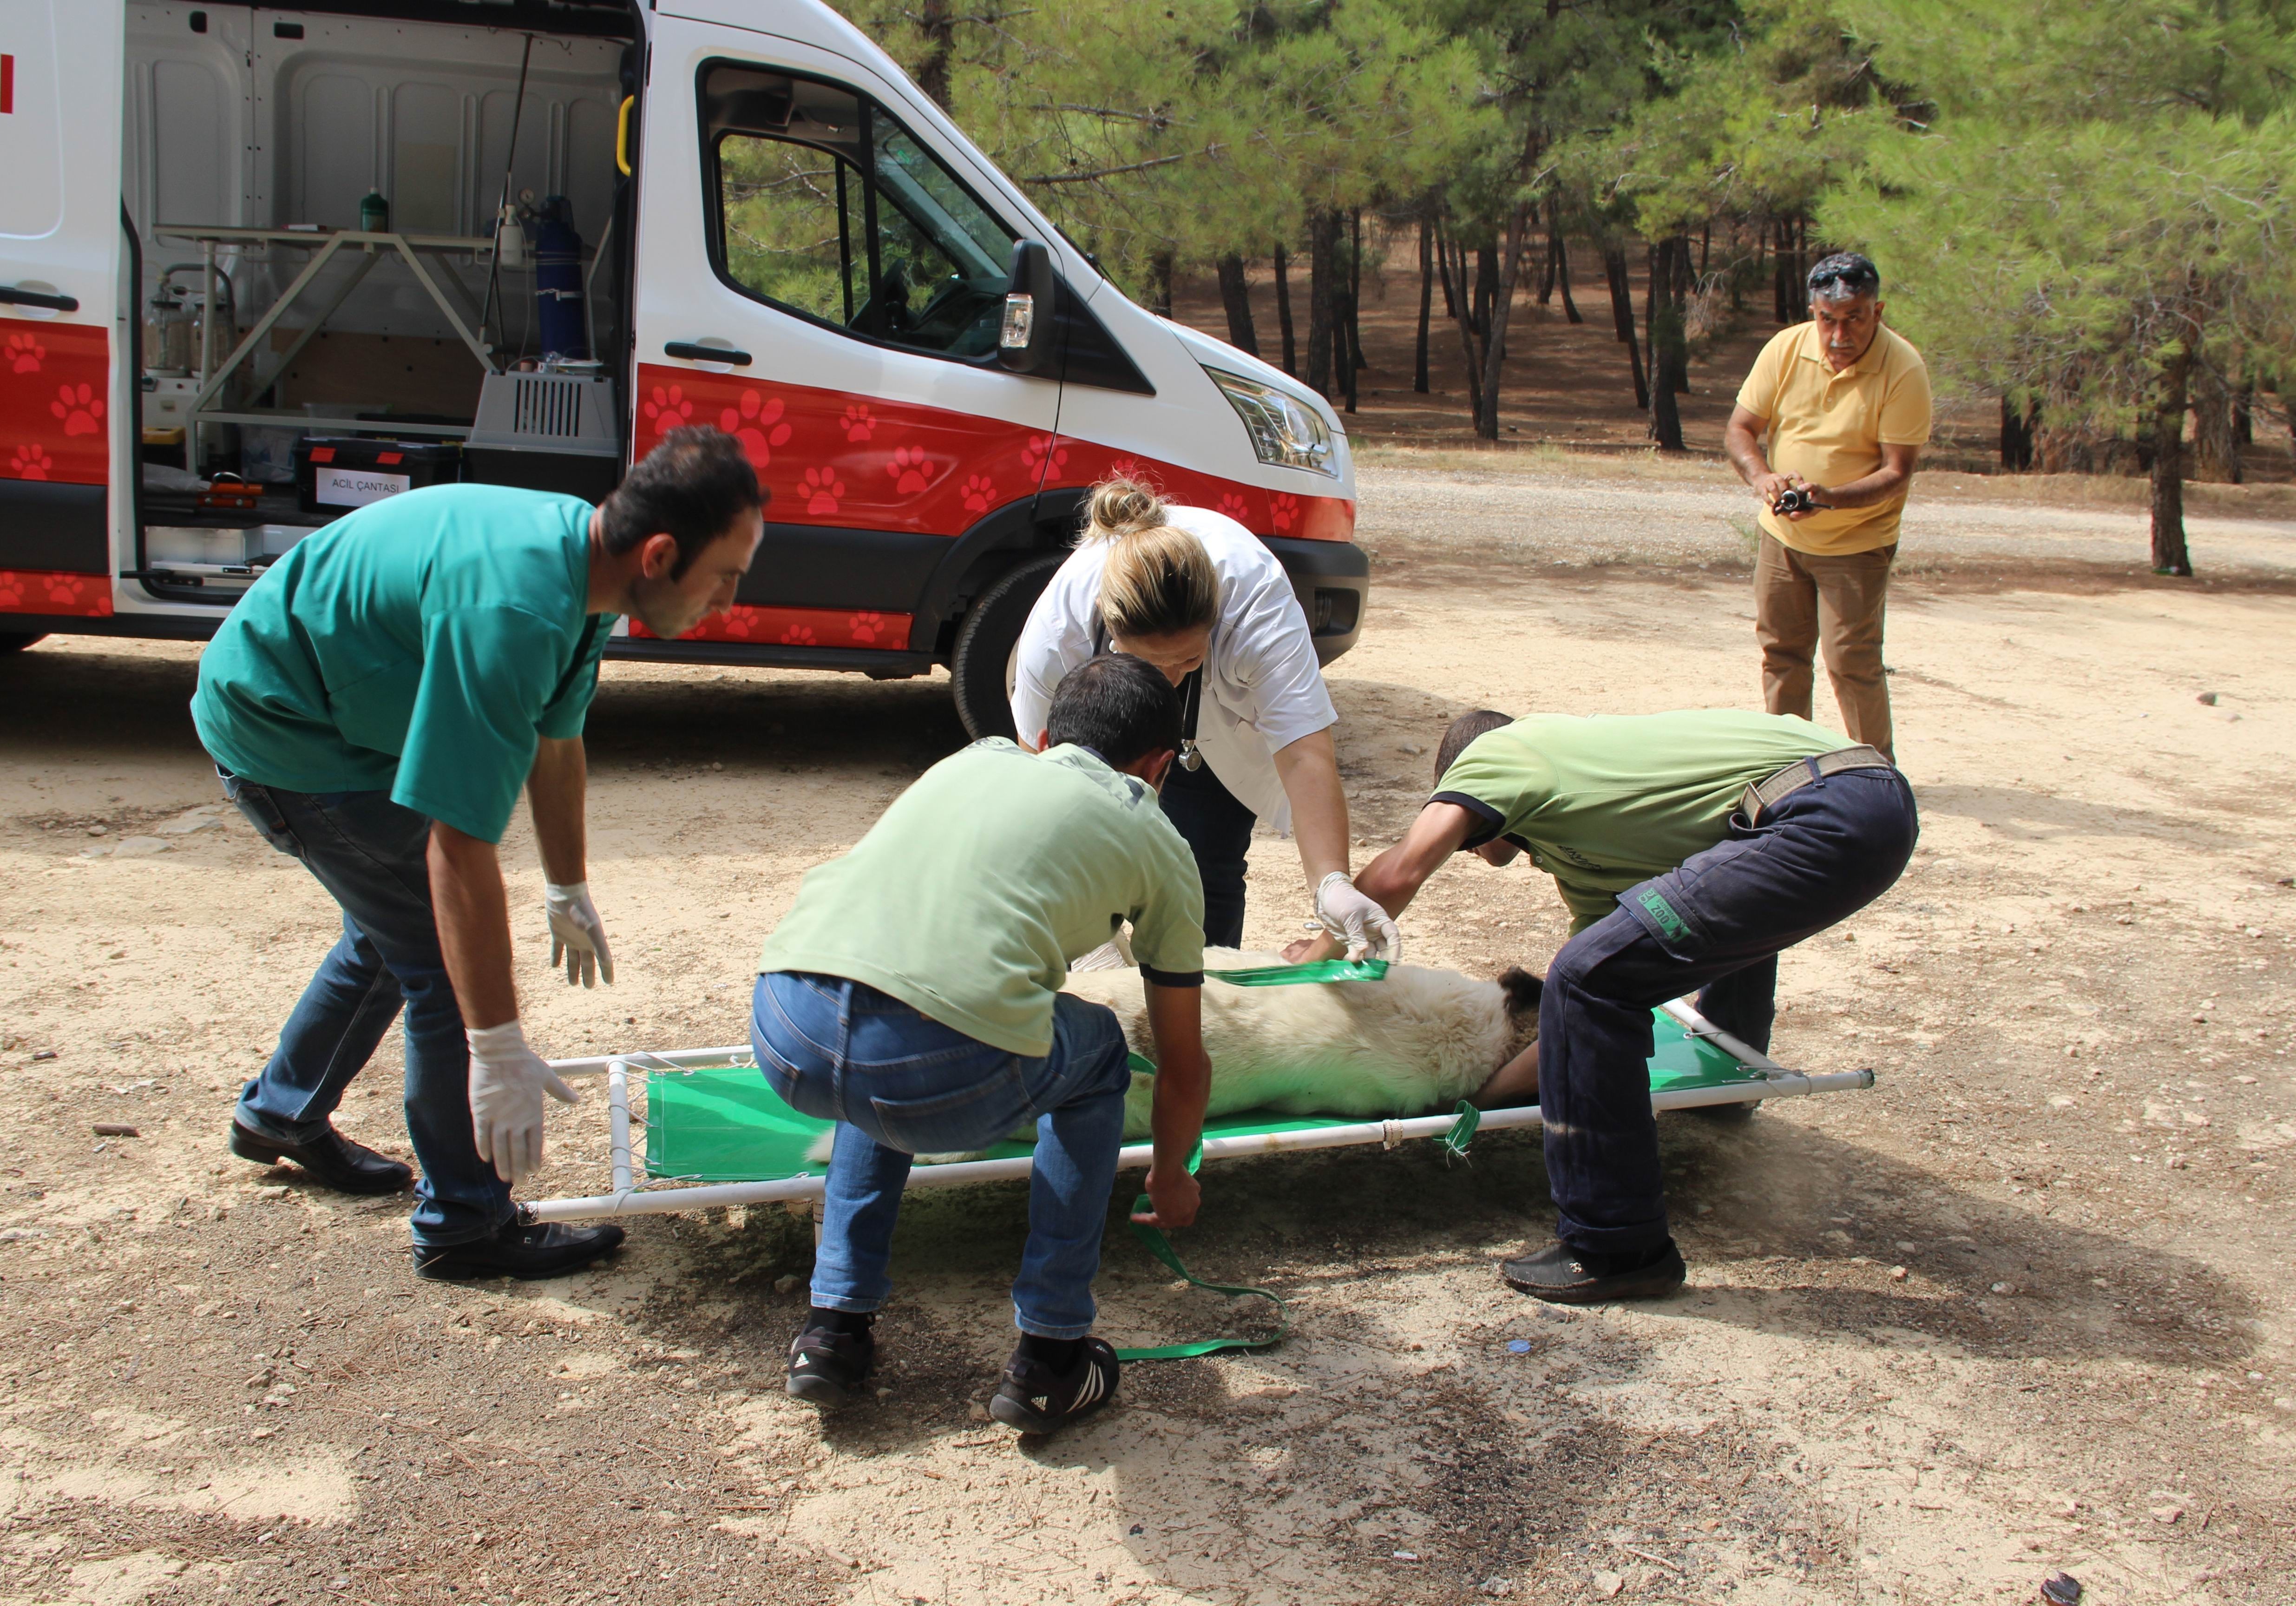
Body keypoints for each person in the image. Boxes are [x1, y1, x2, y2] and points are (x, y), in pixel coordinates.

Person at [192, 427, 768, 1281]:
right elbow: (458, 848)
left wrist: (567, 885)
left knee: (388, 931)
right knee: (434, 956)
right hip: (283, 728)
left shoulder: (583, 571)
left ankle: (280, 1114)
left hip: (338, 705)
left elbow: (557, 741)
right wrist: (495, 1043)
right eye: (726, 575)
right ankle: (464, 1222)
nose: (728, 599)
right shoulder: (516, 611)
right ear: (659, 554)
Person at [1294, 708, 1917, 1303]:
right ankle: (1726, 1102)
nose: (1471, 852)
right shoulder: (1595, 856)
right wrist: (1471, 1108)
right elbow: (1573, 1028)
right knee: (1604, 972)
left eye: (1466, 839)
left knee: (1587, 975)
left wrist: (1316, 960)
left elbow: (1402, 870)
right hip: (1854, 805)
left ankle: (1617, 1249)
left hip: (1826, 804)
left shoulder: (1501, 755)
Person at [753, 653, 1212, 1432]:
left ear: (1041, 736)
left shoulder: (975, 758)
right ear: (1158, 766)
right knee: (1099, 1047)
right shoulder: (1154, 836)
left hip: (785, 1020)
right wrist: (1172, 1176)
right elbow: (1181, 1060)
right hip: (925, 1068)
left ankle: (832, 1331)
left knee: (894, 1017)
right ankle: (1051, 1355)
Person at [1010, 480, 1397, 961]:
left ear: (1217, 622)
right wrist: (1091, 941)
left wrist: (1332, 883)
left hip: (1218, 733)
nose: (1170, 680)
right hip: (1105, 717)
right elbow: (1040, 782)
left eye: (1189, 661)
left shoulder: (1257, 605)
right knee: (1095, 866)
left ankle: (1206, 999)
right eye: (1153, 664)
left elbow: (1305, 755)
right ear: (1111, 629)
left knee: (1204, 871)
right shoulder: (1057, 630)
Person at [1725, 251, 1933, 762]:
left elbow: (1897, 470)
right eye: (1828, 321)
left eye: (1855, 320)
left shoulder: (1903, 367)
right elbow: (1740, 429)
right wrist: (1764, 478)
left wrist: (1831, 500)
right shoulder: (1787, 348)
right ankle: (1789, 762)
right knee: (1782, 653)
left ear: (1877, 312)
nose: (1840, 336)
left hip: (1857, 542)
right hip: (1782, 537)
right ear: (1814, 312)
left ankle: (1875, 772)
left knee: (1852, 661)